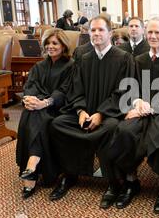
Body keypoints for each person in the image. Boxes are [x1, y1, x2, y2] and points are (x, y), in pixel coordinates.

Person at [48, 16, 134, 201]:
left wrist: (100, 114)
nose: (96, 33)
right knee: (58, 124)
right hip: (86, 112)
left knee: (110, 129)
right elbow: (75, 89)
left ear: (110, 33)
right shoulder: (84, 59)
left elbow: (123, 91)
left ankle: (113, 182)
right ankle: (70, 174)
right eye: (92, 30)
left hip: (110, 113)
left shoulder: (124, 58)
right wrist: (81, 111)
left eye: (100, 30)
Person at [105, 17, 159, 210]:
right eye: (150, 32)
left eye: (158, 32)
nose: (153, 36)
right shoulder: (138, 60)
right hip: (140, 110)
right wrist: (137, 101)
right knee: (125, 131)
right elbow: (130, 85)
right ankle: (131, 182)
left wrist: (150, 107)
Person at [16, 29, 75, 199]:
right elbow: (30, 86)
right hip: (38, 106)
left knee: (38, 115)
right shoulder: (39, 66)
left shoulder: (71, 66)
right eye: (47, 43)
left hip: (59, 107)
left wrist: (45, 102)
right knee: (31, 113)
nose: (50, 46)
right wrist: (28, 99)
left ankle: (32, 166)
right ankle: (32, 166)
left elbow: (65, 92)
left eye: (55, 43)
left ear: (63, 45)